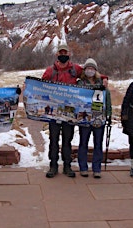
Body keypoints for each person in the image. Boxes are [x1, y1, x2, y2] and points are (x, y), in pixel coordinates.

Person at [42, 43, 83, 178]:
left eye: (65, 53)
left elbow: (91, 75)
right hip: (54, 111)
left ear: (69, 54)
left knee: (67, 140)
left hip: (69, 111)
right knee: (53, 139)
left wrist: (104, 79)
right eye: (61, 53)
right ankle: (53, 166)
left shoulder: (75, 69)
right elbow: (40, 86)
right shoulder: (50, 71)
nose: (63, 55)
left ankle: (67, 166)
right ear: (57, 54)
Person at [76, 58, 112, 179]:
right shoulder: (80, 83)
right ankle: (83, 167)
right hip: (84, 117)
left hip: (99, 118)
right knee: (83, 143)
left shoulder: (102, 83)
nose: (89, 71)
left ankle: (97, 168)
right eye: (87, 68)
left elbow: (108, 99)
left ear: (95, 70)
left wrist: (109, 114)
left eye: (92, 68)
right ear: (84, 70)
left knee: (98, 143)